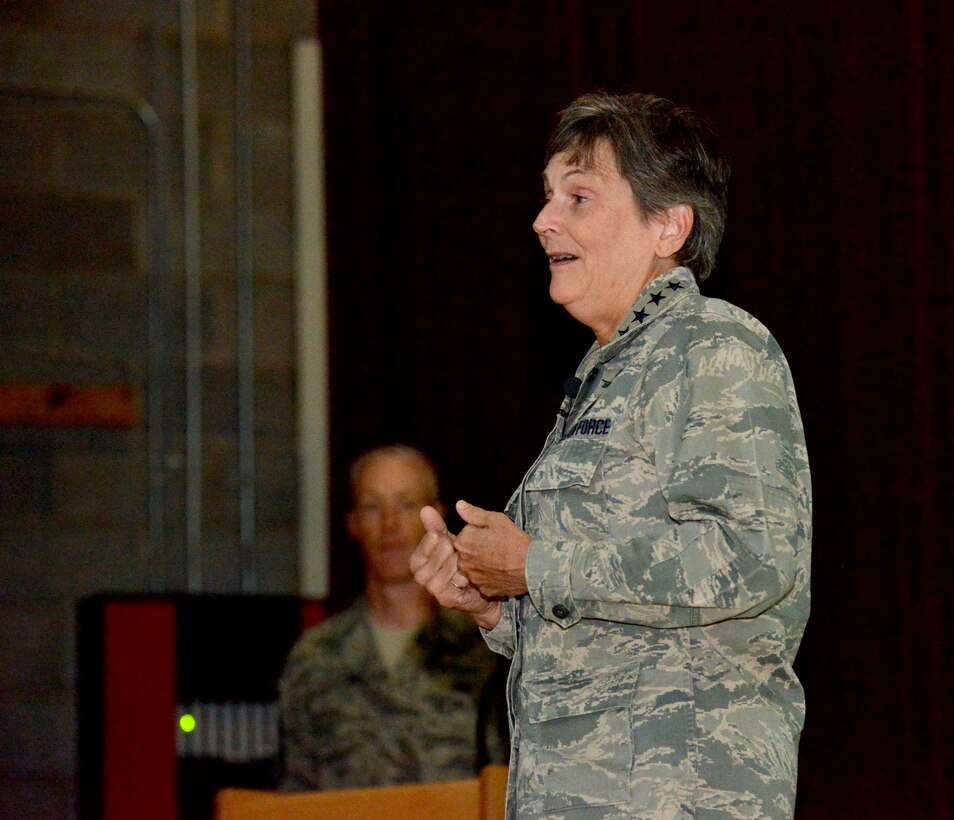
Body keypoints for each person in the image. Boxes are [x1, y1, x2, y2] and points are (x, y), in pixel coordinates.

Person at [410, 92, 812, 818]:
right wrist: (495, 608)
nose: (543, 220)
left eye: (579, 197)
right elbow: (607, 634)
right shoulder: (605, 377)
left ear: (668, 225)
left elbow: (751, 556)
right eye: (546, 196)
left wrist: (535, 564)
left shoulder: (714, 346)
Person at [277, 444, 503, 791]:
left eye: (406, 505)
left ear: (436, 517)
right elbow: (295, 796)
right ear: (352, 523)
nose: (389, 525)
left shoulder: (484, 652)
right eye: (372, 507)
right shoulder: (315, 658)